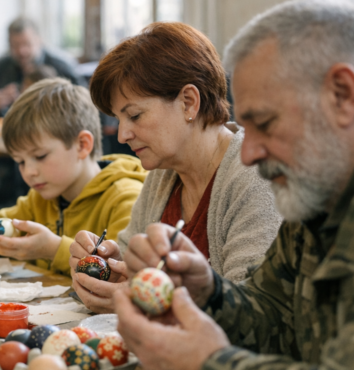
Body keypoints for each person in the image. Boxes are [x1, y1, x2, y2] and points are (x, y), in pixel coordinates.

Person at [112, 0, 354, 370]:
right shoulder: (320, 202)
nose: (248, 153)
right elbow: (278, 319)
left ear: (342, 95)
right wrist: (209, 292)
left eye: (265, 123)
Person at [68, 22, 282, 313]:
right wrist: (113, 268)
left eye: (134, 115)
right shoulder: (163, 174)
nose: (122, 135)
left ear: (188, 102)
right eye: (119, 119)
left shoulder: (255, 177)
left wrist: (144, 299)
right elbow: (132, 271)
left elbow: (253, 316)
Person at [0, 78, 145, 275]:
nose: (29, 171)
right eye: (20, 161)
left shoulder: (126, 199)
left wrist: (54, 250)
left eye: (40, 156)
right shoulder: (38, 199)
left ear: (82, 145)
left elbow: (121, 272)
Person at [0, 17, 84, 117]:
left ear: (39, 40)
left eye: (26, 44)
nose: (21, 51)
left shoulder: (62, 67)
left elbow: (84, 105)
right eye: (15, 45)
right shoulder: (0, 68)